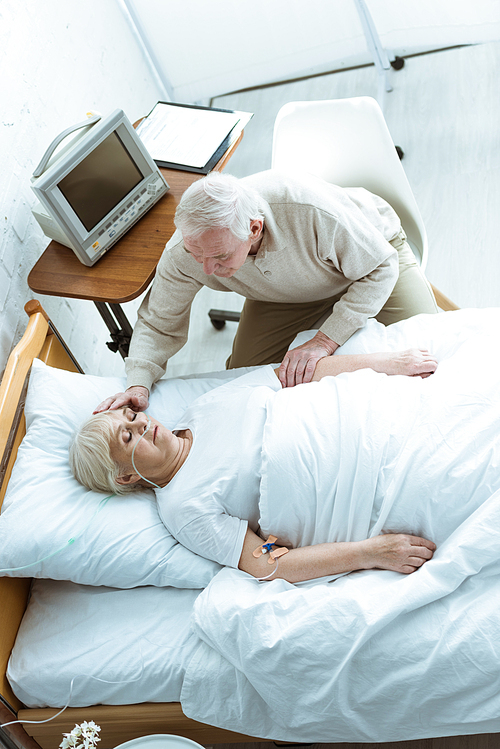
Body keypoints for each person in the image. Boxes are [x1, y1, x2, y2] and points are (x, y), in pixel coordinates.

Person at [72, 348, 440, 584]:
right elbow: (266, 561)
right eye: (126, 437)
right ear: (127, 475)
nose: (140, 423)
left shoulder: (204, 407)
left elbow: (293, 375)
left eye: (132, 414)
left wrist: (389, 365)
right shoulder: (183, 509)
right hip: (375, 479)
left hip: (374, 408)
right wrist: (371, 552)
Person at [95, 170, 438, 415]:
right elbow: (159, 322)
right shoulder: (191, 251)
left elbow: (380, 267)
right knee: (245, 379)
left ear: (253, 228)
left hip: (371, 262)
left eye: (220, 257)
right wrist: (138, 383)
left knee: (434, 347)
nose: (206, 270)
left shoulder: (309, 210)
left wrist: (324, 341)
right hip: (286, 294)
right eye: (197, 255)